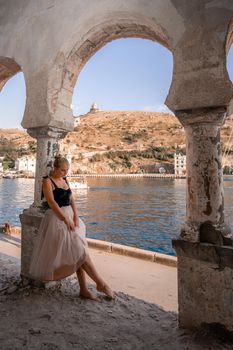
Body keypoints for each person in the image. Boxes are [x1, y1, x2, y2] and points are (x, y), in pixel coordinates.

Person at [29, 155, 115, 300]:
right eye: (63, 170)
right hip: (57, 220)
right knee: (80, 252)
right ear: (55, 168)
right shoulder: (47, 181)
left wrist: (75, 215)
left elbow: (72, 199)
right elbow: (51, 203)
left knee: (79, 252)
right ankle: (100, 283)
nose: (65, 173)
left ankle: (84, 289)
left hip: (70, 217)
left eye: (67, 170)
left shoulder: (65, 180)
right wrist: (65, 219)